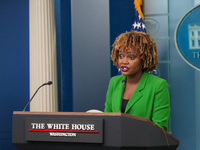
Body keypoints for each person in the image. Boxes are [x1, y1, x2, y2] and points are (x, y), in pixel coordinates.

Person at [104, 31, 170, 131]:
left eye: (131, 57)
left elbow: (159, 128)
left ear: (144, 59)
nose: (124, 61)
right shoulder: (114, 82)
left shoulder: (158, 85)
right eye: (121, 56)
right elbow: (107, 118)